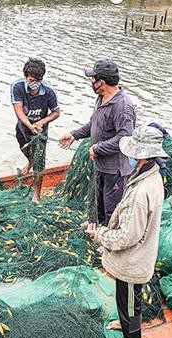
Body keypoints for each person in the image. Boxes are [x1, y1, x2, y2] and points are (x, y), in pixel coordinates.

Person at [85, 125, 168, 338]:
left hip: (133, 264)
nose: (129, 156)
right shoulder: (152, 174)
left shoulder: (142, 193)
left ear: (141, 154)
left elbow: (127, 236)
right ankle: (124, 325)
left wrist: (98, 234)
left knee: (131, 308)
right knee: (127, 303)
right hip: (138, 258)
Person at [59, 59, 135, 225]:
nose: (92, 83)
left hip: (115, 169)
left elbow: (125, 137)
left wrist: (97, 149)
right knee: (98, 200)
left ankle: (108, 239)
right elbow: (94, 123)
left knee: (111, 206)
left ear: (102, 82)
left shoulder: (122, 106)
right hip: (100, 165)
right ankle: (95, 225)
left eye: (93, 79)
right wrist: (74, 135)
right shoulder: (101, 98)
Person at [11, 58, 61, 202]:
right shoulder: (17, 87)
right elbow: (19, 111)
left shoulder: (49, 91)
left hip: (40, 133)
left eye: (38, 80)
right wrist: (29, 125)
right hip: (23, 128)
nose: (34, 83)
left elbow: (56, 112)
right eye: (31, 79)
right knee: (25, 150)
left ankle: (36, 195)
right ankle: (30, 160)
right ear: (26, 77)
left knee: (39, 164)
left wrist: (42, 121)